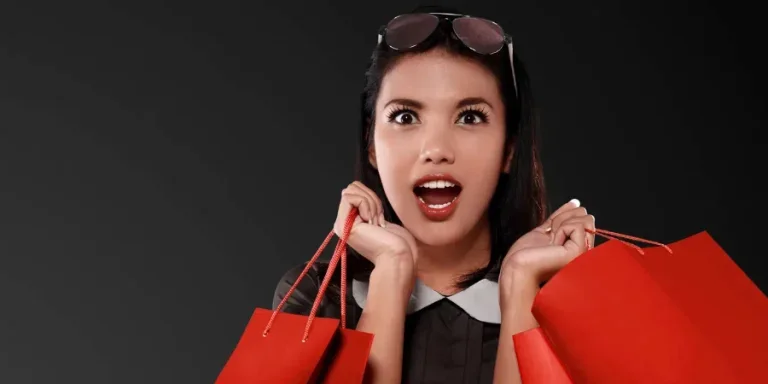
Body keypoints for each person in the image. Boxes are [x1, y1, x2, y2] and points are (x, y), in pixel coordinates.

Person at [272, 5, 595, 384]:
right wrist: (391, 274)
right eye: (405, 117)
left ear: (509, 148)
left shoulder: (575, 309)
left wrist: (521, 285)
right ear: (371, 144)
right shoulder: (316, 301)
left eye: (470, 117)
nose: (437, 149)